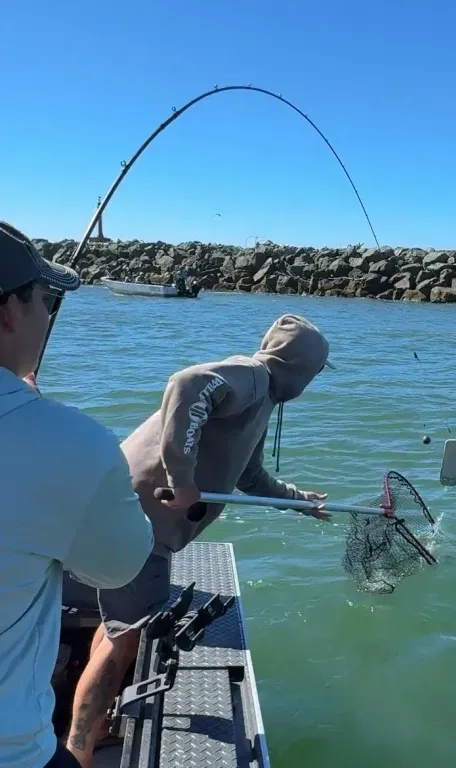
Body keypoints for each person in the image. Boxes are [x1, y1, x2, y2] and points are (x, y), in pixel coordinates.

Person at [66, 313, 332, 768]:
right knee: (126, 638)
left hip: (123, 519)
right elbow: (187, 384)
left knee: (118, 629)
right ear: (300, 367)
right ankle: (78, 749)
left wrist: (298, 501)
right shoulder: (252, 375)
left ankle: (96, 728)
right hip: (136, 524)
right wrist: (181, 476)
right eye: (315, 371)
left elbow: (246, 475)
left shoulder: (260, 401)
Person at [0, 222, 155, 768]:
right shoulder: (71, 443)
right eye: (45, 299)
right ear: (8, 313)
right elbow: (120, 566)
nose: (48, 316)